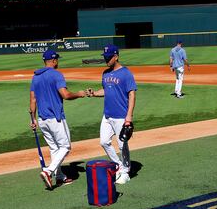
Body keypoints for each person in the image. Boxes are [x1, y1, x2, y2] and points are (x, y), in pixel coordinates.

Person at [29, 48, 88, 189]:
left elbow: (33, 99)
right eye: (57, 60)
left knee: (54, 148)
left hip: (42, 120)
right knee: (65, 147)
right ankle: (48, 171)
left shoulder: (35, 77)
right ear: (54, 61)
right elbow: (65, 95)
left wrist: (33, 119)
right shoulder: (56, 75)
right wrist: (79, 94)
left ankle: (60, 177)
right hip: (55, 118)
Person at [87, 44, 137, 184]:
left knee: (122, 145)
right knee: (104, 141)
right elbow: (106, 91)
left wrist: (129, 116)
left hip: (121, 115)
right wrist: (94, 93)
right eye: (105, 57)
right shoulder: (105, 73)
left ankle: (126, 171)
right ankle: (119, 165)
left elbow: (132, 94)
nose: (106, 60)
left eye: (109, 57)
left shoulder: (126, 73)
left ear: (116, 56)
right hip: (107, 115)